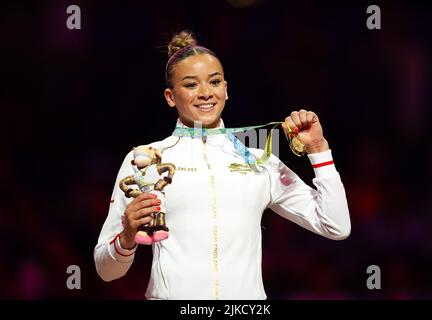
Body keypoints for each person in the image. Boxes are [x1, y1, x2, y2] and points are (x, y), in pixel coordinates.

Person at [94, 30, 351, 300]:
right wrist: (126, 238)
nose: (205, 93)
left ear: (226, 90)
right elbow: (106, 271)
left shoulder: (258, 161)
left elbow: (335, 225)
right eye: (191, 85)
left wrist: (318, 150)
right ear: (170, 97)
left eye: (214, 82)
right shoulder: (146, 160)